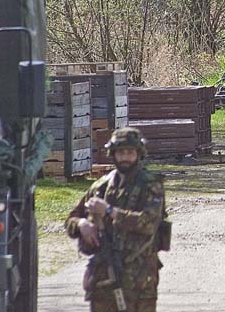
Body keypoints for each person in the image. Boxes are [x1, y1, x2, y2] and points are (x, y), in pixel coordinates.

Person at [65, 128, 166, 312]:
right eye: (121, 152)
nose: (125, 157)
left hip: (139, 276)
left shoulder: (151, 185)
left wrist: (110, 211)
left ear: (138, 154)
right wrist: (82, 225)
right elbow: (71, 219)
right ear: (113, 154)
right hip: (104, 274)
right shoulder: (101, 186)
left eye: (130, 152)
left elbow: (148, 223)